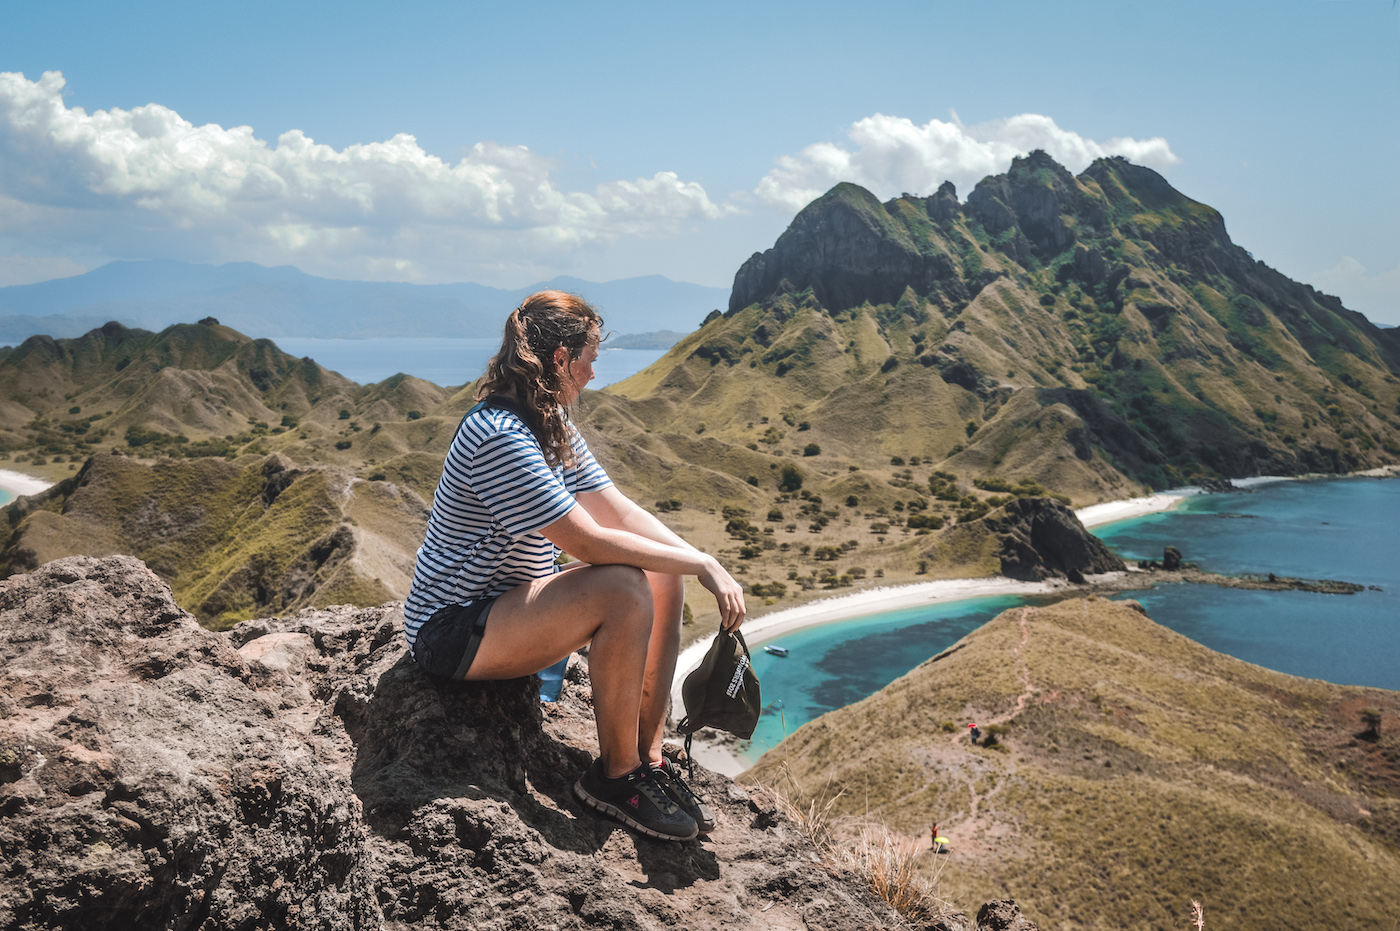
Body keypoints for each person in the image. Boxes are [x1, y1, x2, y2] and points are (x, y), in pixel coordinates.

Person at [403, 290, 747, 842]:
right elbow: (586, 542)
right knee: (622, 587)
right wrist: (700, 562)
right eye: (588, 357)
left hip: (507, 613)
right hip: (452, 631)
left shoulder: (549, 422)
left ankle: (646, 759)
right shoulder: (498, 434)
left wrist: (698, 563)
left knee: (660, 573)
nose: (592, 372)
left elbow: (618, 511)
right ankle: (614, 779)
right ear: (560, 358)